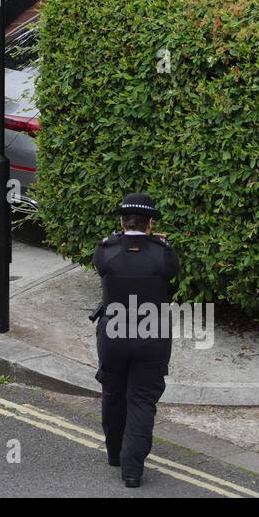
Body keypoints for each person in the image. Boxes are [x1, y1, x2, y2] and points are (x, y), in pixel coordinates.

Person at [91, 192, 180, 488]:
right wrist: (154, 244)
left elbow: (103, 266)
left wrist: (124, 241)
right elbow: (171, 271)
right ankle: (132, 471)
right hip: (151, 336)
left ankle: (115, 454)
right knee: (142, 401)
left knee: (113, 394)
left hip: (113, 333)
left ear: (122, 221)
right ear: (150, 224)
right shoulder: (163, 253)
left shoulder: (106, 250)